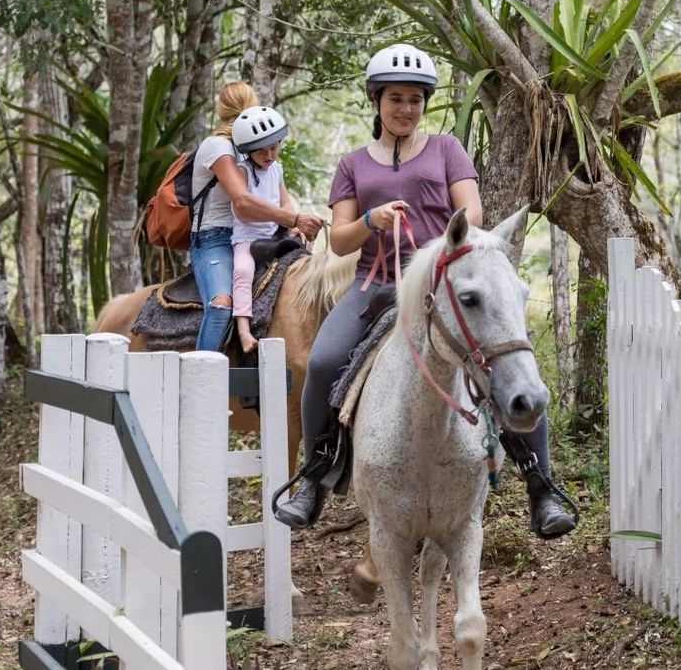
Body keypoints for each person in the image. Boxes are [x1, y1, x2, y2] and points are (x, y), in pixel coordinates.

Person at [275, 44, 577, 541]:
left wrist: (438, 246)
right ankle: (313, 477)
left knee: (511, 358)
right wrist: (371, 219)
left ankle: (541, 486)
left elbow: (472, 214)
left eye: (415, 100)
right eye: (396, 98)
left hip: (440, 283)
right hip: (375, 285)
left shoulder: (446, 150)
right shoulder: (352, 164)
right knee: (324, 361)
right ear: (376, 100)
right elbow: (341, 238)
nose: (406, 109)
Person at [190, 83, 323, 352]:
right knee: (220, 305)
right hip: (217, 237)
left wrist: (291, 226)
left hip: (263, 234)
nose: (269, 154)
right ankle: (202, 369)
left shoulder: (259, 146)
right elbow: (242, 200)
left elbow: (279, 194)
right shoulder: (219, 146)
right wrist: (294, 219)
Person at [229, 105, 298, 354]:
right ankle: (243, 329)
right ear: (248, 151)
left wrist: (292, 222)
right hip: (247, 239)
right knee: (243, 271)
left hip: (275, 236)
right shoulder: (243, 170)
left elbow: (285, 202)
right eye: (261, 150)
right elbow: (241, 209)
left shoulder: (276, 169)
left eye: (273, 148)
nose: (269, 154)